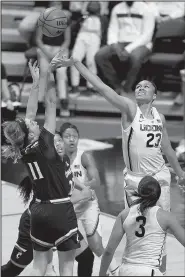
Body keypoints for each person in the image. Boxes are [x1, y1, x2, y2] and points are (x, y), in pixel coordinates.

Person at [50, 50, 185, 275]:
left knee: (159, 231)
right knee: (135, 230)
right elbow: (103, 89)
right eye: (138, 86)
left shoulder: (159, 117)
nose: (140, 88)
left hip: (160, 178)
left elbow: (167, 149)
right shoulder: (130, 109)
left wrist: (180, 174)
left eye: (146, 86)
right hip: (136, 181)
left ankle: (159, 272)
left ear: (155, 96)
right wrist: (76, 64)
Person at [2, 58, 82, 276]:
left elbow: (29, 114)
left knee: (39, 267)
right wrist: (49, 74)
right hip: (59, 208)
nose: (34, 121)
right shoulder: (46, 143)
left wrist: (36, 83)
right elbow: (51, 104)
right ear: (29, 132)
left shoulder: (24, 148)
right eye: (31, 124)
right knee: (67, 267)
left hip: (37, 210)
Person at [1, 153, 94, 277]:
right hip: (36, 222)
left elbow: (70, 176)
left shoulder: (63, 160)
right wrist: (83, 195)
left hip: (62, 221)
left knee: (86, 257)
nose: (62, 143)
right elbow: (54, 205)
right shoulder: (45, 167)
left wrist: (83, 188)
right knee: (12, 269)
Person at [59, 122, 119, 276]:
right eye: (67, 137)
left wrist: (80, 187)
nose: (72, 140)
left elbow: (96, 180)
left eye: (75, 136)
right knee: (69, 252)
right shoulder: (56, 159)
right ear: (60, 139)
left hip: (86, 205)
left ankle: (117, 272)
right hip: (68, 207)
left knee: (97, 246)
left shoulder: (84, 155)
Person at [99, 175, 185, 276]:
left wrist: (101, 274)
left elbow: (109, 251)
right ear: (158, 194)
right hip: (149, 271)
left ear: (139, 192)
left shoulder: (124, 214)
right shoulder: (165, 217)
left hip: (126, 270)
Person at [95, 1, 155, 95]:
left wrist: (128, 49)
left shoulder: (146, 9)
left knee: (135, 57)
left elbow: (147, 35)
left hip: (141, 43)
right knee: (100, 55)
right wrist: (114, 44)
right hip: (120, 42)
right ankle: (116, 86)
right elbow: (113, 29)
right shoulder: (117, 8)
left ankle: (127, 88)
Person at [36, 1, 71, 117]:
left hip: (60, 49)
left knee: (61, 73)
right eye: (54, 5)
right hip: (45, 48)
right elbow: (38, 40)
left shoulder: (65, 20)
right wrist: (47, 53)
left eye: (59, 5)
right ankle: (40, 102)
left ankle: (63, 101)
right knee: (44, 72)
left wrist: (59, 52)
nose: (56, 7)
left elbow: (67, 40)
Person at [70, 1, 102, 94]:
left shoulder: (102, 19)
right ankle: (74, 85)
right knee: (75, 59)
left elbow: (104, 32)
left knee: (91, 62)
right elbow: (75, 29)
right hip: (82, 37)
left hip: (95, 38)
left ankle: (90, 87)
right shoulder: (83, 18)